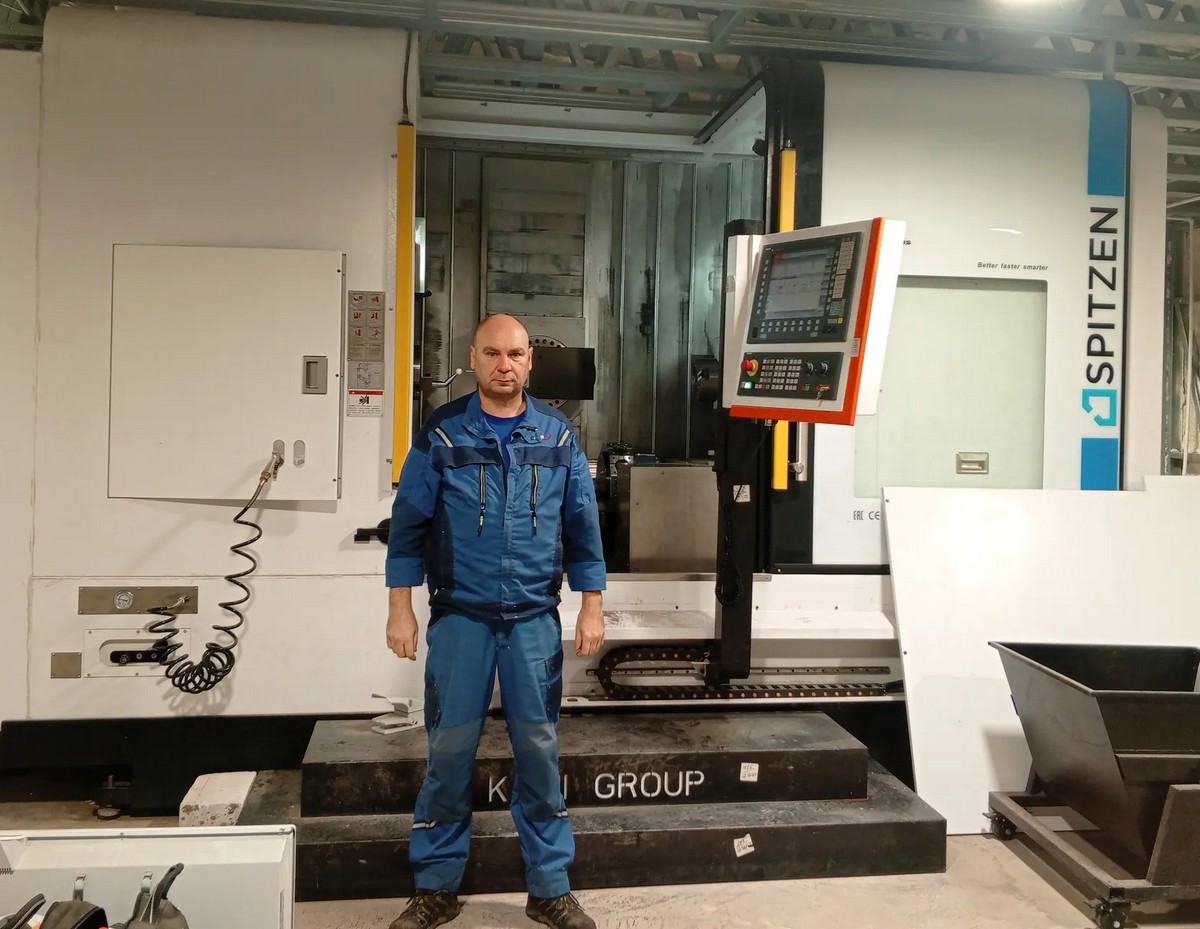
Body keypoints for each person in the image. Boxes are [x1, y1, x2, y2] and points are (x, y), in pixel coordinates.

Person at [385, 314, 607, 929]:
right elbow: (407, 526)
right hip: (462, 619)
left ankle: (550, 887)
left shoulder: (557, 435)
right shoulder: (443, 432)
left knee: (539, 751)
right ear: (473, 359)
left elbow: (583, 526)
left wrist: (591, 603)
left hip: (533, 620)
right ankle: (436, 886)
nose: (503, 365)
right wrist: (400, 608)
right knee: (449, 751)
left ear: (530, 360)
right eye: (491, 354)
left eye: (514, 354)